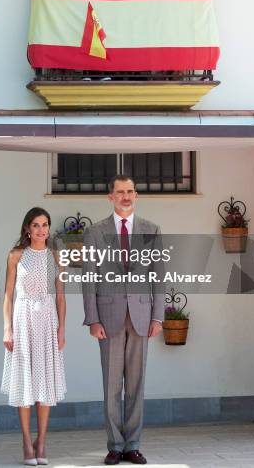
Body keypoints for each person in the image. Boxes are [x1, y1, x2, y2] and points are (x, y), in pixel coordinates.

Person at [82, 175, 164, 465]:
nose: (126, 196)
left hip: (142, 316)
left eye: (130, 191)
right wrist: (92, 318)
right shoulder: (94, 232)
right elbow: (89, 277)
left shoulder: (152, 230)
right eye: (120, 192)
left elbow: (159, 277)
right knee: (112, 385)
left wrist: (158, 316)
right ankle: (115, 446)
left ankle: (133, 445)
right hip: (109, 317)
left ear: (136, 195)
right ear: (111, 197)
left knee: (137, 384)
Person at [0, 207, 66, 465]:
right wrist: (7, 328)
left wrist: (62, 329)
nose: (41, 230)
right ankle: (27, 442)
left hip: (47, 320)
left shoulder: (56, 256)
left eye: (45, 224)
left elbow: (61, 296)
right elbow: (8, 295)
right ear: (27, 228)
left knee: (45, 382)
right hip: (23, 319)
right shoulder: (16, 255)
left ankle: (42, 442)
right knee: (26, 381)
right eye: (36, 225)